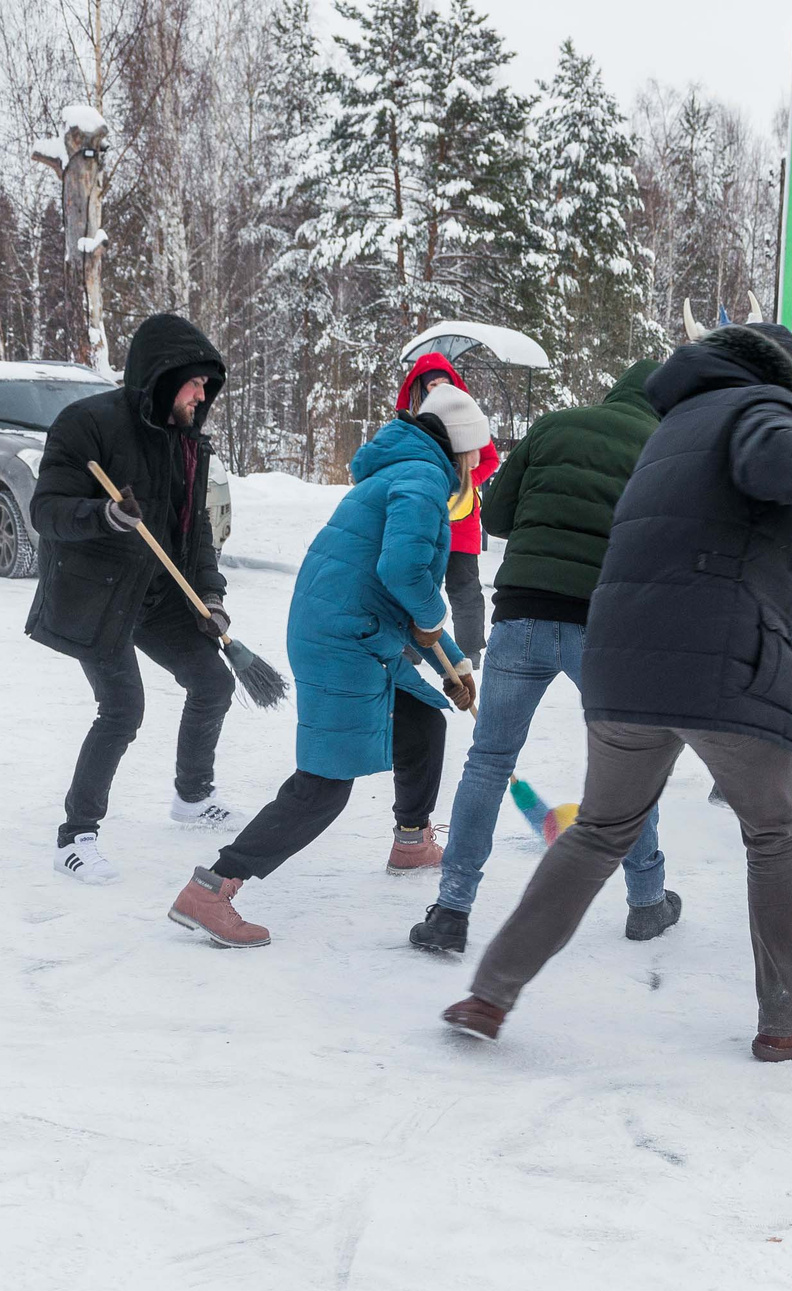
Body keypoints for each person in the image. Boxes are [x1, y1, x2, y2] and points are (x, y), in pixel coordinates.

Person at [440, 322, 792, 1061]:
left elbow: (698, 569)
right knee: (778, 832)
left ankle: (490, 991)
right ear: (779, 373)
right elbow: (775, 463)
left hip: (625, 662)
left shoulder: (674, 429)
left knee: (600, 829)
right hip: (717, 668)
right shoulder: (759, 406)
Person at [167, 383, 487, 948]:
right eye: (475, 459)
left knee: (421, 722)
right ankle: (212, 887)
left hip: (349, 628)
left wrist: (453, 664)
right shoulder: (422, 479)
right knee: (324, 785)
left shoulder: (404, 470)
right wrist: (436, 625)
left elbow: (398, 592)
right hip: (344, 639)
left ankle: (411, 842)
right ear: (461, 450)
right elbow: (403, 573)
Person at [409, 358, 674, 955]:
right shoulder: (662, 450)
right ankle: (647, 899)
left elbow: (497, 515)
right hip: (602, 627)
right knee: (629, 766)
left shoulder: (555, 425)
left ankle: (451, 911)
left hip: (521, 614)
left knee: (488, 762)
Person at [26, 312, 239, 884]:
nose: (202, 396)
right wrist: (104, 515)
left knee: (214, 682)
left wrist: (210, 595)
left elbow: (194, 530)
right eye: (194, 384)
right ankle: (75, 837)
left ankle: (192, 795)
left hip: (157, 592)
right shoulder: (87, 424)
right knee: (122, 709)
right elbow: (45, 511)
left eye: (207, 386)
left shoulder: (187, 442)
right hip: (97, 596)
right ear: (162, 377)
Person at [398, 351, 500, 664]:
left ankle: (470, 651)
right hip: (422, 519)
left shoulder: (467, 419)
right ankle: (412, 648)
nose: (439, 389)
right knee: (419, 585)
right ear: (420, 388)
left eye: (445, 382)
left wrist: (466, 480)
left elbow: (491, 459)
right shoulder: (409, 424)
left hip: (462, 523)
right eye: (433, 384)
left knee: (465, 588)